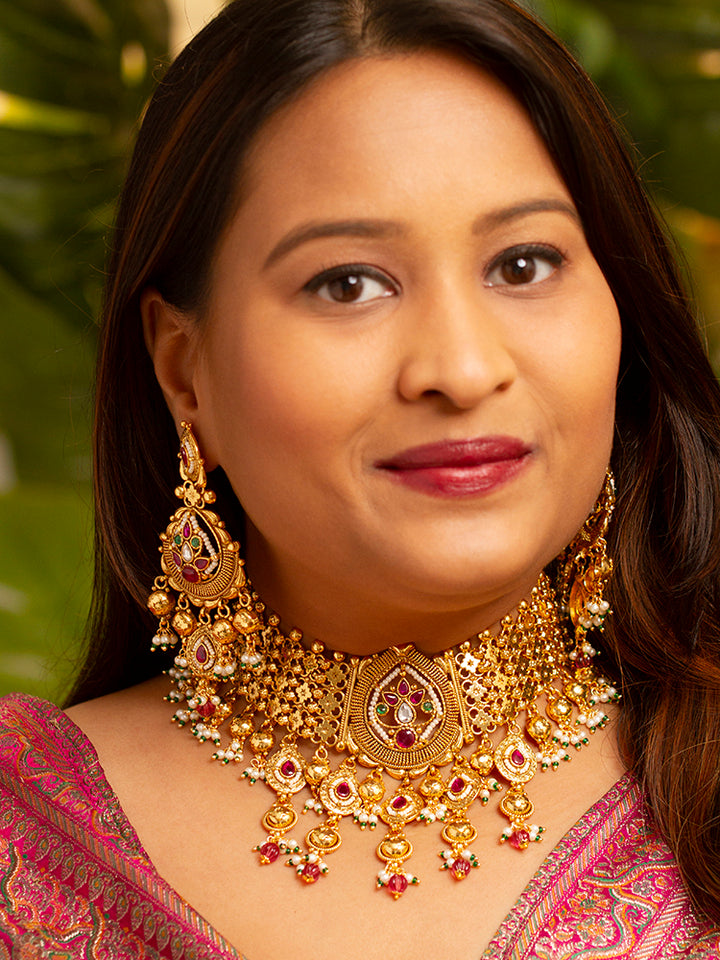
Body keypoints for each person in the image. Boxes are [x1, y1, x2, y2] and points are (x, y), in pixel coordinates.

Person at [1, 0, 719, 956]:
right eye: (348, 283)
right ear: (184, 369)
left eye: (524, 262)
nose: (462, 370)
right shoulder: (28, 839)